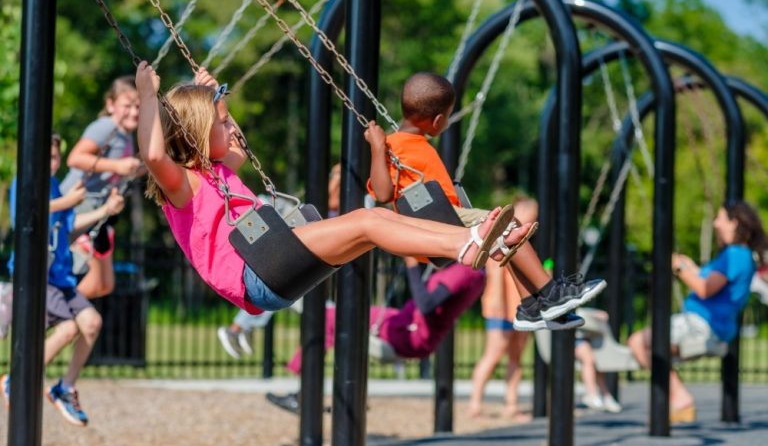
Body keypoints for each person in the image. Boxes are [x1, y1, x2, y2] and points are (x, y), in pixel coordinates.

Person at [135, 62, 537, 318]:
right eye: (221, 125)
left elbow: (237, 143)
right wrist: (147, 94)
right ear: (199, 132)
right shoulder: (184, 184)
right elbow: (154, 155)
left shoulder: (218, 170)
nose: (231, 131)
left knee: (378, 220)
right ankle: (466, 243)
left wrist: (214, 96)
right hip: (255, 270)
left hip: (269, 267)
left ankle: (481, 240)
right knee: (365, 220)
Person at [366, 72, 605, 331]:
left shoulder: (411, 143)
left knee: (503, 235)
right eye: (447, 117)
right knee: (506, 225)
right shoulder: (392, 145)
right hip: (436, 223)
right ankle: (551, 293)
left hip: (445, 217)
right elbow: (381, 194)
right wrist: (378, 148)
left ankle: (530, 307)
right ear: (437, 121)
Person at [3, 133, 125, 426]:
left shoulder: (56, 186)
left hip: (60, 277)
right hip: (36, 275)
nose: (52, 163)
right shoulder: (26, 182)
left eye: (56, 157)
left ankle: (64, 388)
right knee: (69, 328)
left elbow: (69, 224)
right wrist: (68, 201)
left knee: (91, 323)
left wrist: (104, 211)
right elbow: (27, 214)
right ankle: (16, 380)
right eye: (47, 157)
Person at [267, 258, 486, 414]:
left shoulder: (466, 272)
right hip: (405, 323)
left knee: (329, 318)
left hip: (410, 333)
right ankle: (328, 394)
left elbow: (426, 304)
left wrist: (411, 266)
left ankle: (304, 393)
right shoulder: (473, 271)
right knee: (338, 315)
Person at [628, 201, 768, 424]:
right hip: (715, 326)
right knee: (655, 353)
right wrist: (690, 266)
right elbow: (709, 278)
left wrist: (678, 267)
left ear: (734, 223)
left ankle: (680, 396)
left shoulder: (734, 254)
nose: (715, 223)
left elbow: (705, 288)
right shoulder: (739, 255)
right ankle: (678, 398)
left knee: (638, 342)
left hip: (701, 324)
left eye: (720, 218)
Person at [218, 163, 343, 358]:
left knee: (280, 294)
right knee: (277, 290)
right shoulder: (321, 202)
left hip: (310, 261)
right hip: (296, 253)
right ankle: (237, 329)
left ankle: (240, 328)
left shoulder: (341, 208)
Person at [60, 75, 142, 299]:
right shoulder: (106, 127)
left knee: (104, 285)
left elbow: (123, 171)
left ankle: (63, 311)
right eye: (127, 106)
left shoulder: (126, 135)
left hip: (100, 210)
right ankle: (56, 306)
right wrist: (117, 165)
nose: (134, 112)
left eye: (138, 106)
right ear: (110, 105)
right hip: (79, 206)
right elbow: (75, 158)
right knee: (91, 280)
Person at [467, 195, 538, 422]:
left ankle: (511, 404)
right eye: (529, 213)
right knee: (493, 355)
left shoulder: (524, 244)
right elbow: (495, 273)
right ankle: (475, 403)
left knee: (516, 358)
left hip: (518, 307)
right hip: (502, 309)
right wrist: (498, 305)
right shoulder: (501, 239)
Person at [574, 309, 622, 414]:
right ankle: (592, 394)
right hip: (573, 339)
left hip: (583, 339)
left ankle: (605, 394)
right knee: (589, 359)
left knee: (596, 363)